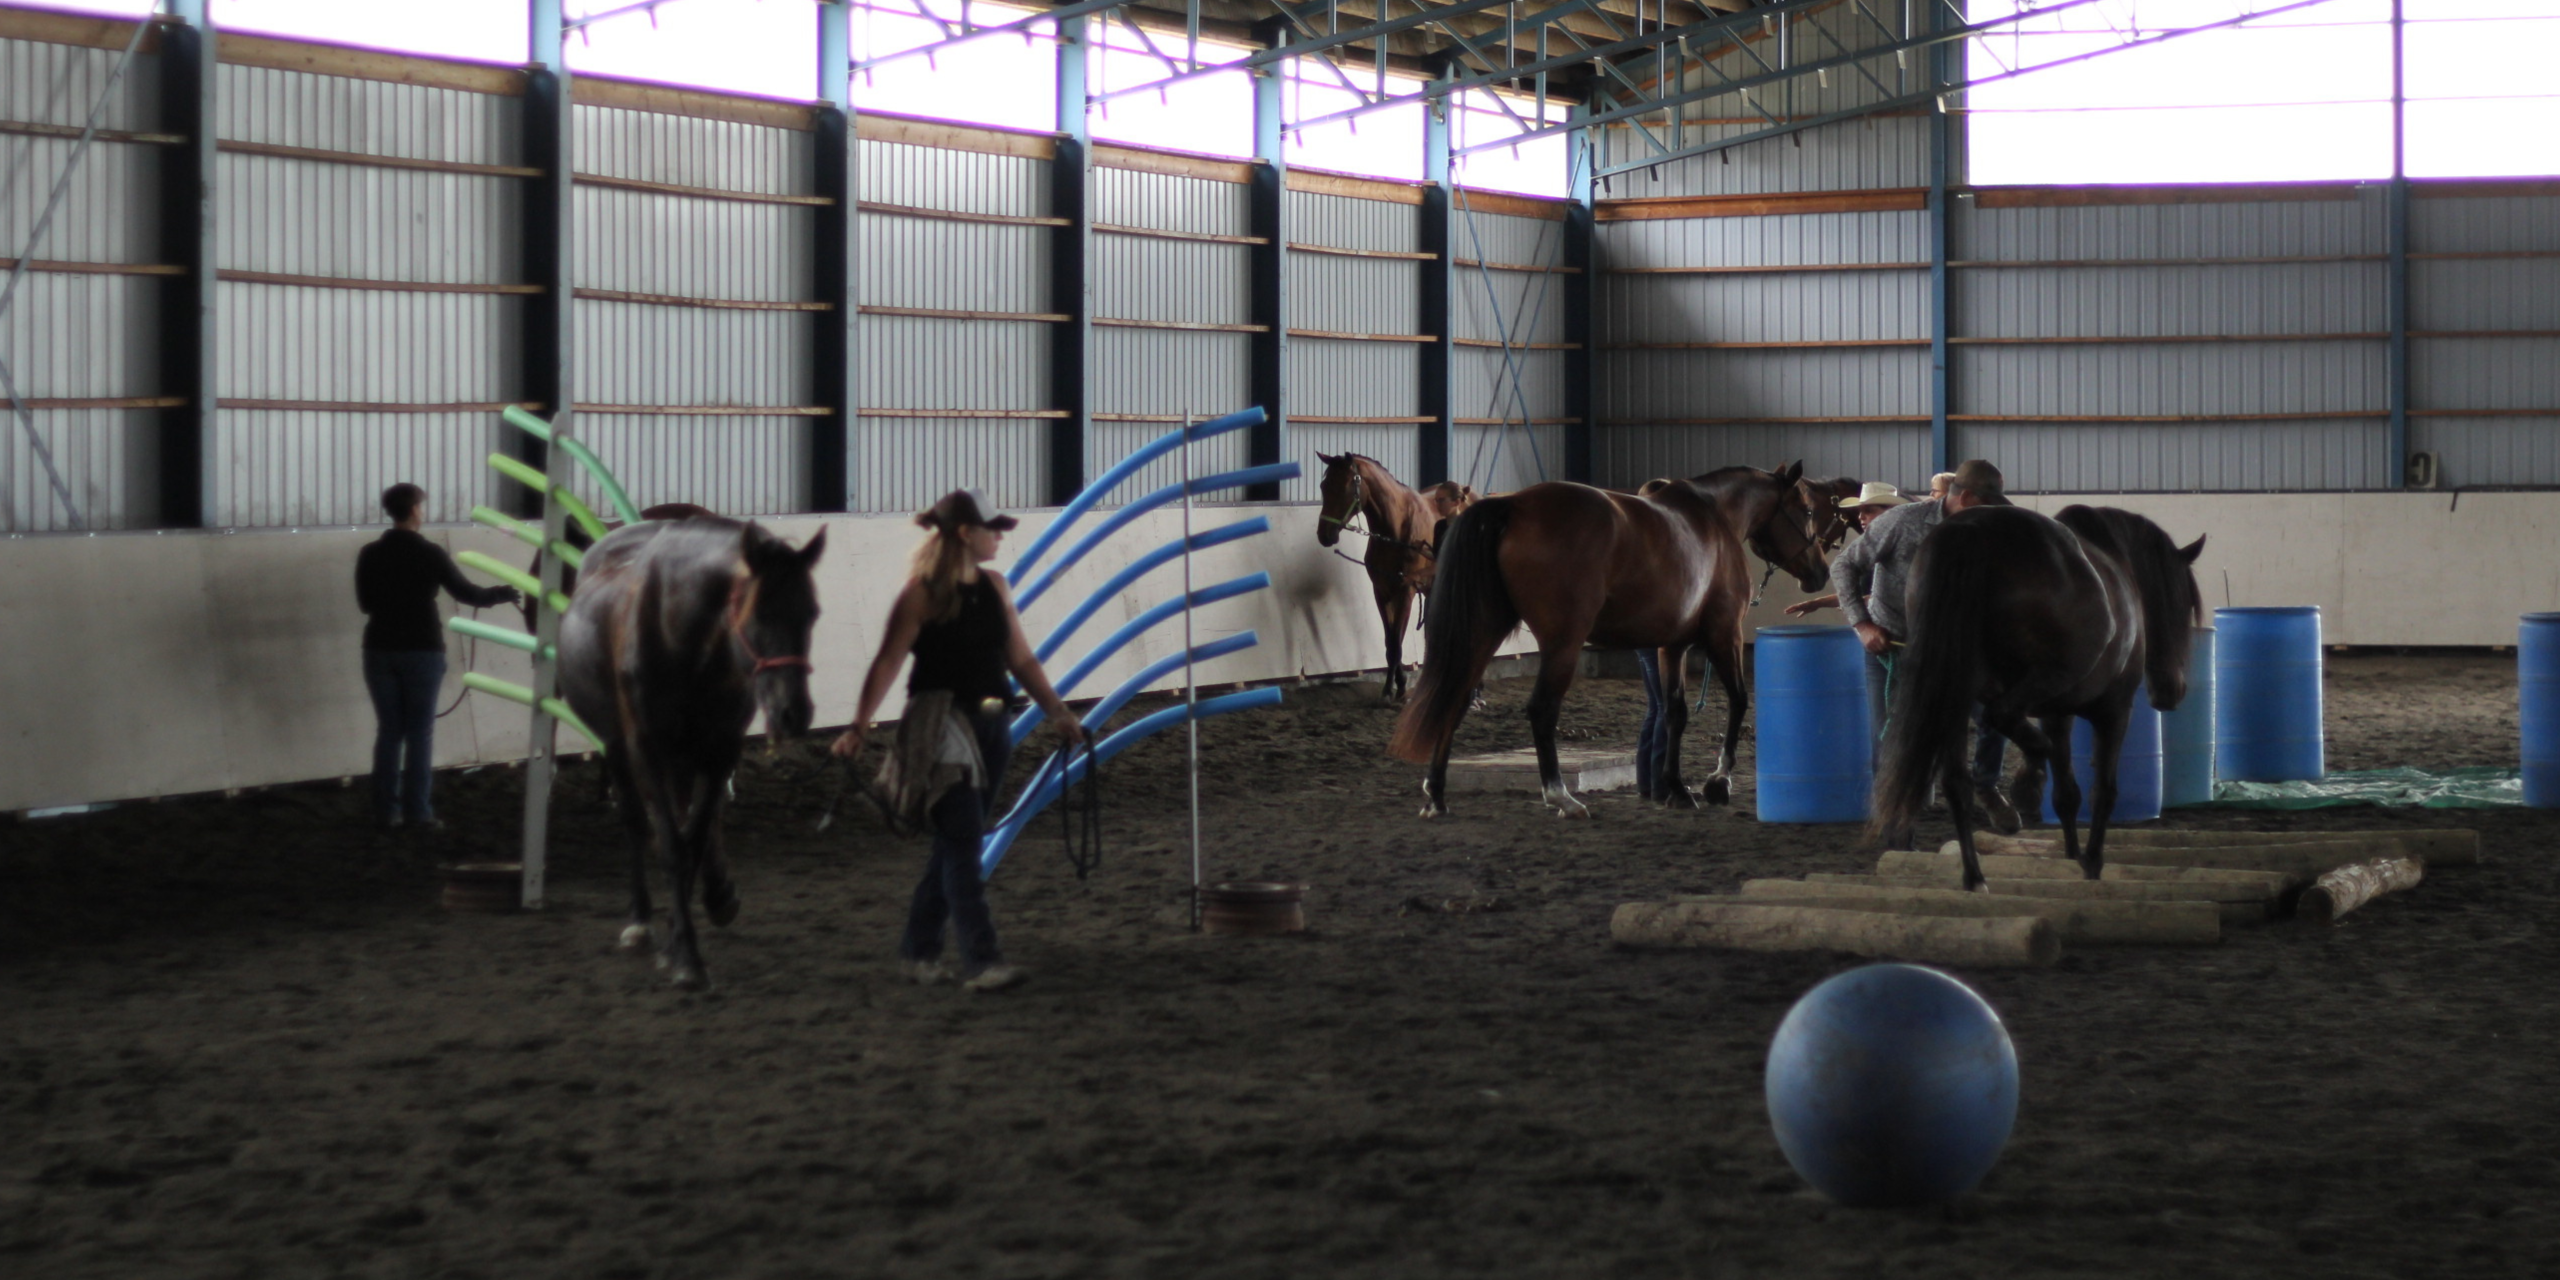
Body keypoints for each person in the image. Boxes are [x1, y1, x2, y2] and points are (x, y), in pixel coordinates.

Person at [830, 490, 1086, 994]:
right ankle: (981, 959)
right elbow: (887, 662)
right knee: (965, 845)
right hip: (941, 724)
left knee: (957, 844)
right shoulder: (920, 594)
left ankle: (918, 950)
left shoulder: (996, 587)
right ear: (966, 534)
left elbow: (1022, 660)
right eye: (992, 528)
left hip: (993, 726)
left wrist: (1056, 710)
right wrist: (858, 725)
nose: (999, 536)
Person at [1826, 460, 2015, 832]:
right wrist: (1862, 625)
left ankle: (1986, 784)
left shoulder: (1988, 529)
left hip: (1957, 650)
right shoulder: (1902, 522)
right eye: (1987, 502)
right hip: (1892, 645)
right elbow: (1844, 565)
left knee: (1999, 714)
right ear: (1968, 497)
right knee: (1891, 739)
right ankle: (1896, 821)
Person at [354, 483, 521, 829]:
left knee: (389, 732)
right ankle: (418, 812)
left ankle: (386, 812)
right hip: (421, 648)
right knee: (419, 733)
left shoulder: (369, 554)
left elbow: (365, 604)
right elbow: (467, 593)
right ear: (416, 509)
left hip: (379, 648)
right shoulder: (430, 553)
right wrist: (502, 593)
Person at [1781, 481, 1908, 619]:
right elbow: (1861, 596)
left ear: (1890, 512)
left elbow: (1908, 593)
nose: (1860, 517)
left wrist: (1867, 603)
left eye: (1869, 511)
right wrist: (1817, 603)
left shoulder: (1905, 548)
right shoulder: (1869, 550)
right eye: (1859, 511)